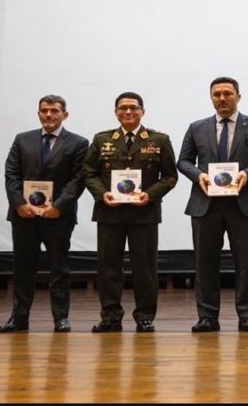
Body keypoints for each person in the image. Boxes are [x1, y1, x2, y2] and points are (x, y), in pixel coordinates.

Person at [177, 77, 248, 332]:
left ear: (238, 96)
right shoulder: (196, 127)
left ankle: (247, 316)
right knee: (204, 263)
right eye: (217, 94)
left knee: (246, 263)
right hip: (205, 204)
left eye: (227, 94)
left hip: (243, 204)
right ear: (211, 97)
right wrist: (198, 175)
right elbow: (184, 161)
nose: (222, 98)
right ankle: (207, 317)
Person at [81, 92, 178, 333]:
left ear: (142, 111)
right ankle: (110, 317)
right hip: (109, 213)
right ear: (116, 112)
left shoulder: (159, 139)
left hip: (144, 214)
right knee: (107, 268)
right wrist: (102, 194)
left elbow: (170, 176)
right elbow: (88, 173)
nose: (128, 112)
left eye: (133, 108)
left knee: (144, 269)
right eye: (122, 108)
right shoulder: (102, 139)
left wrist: (150, 194)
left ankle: (145, 316)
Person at [0, 95, 88, 333]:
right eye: (44, 111)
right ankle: (18, 318)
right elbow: (11, 174)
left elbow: (78, 180)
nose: (49, 115)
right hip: (24, 214)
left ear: (64, 115)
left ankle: (61, 318)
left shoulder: (79, 143)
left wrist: (58, 206)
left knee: (59, 268)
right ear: (38, 113)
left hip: (58, 216)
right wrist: (18, 203)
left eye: (54, 111)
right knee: (23, 267)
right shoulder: (22, 139)